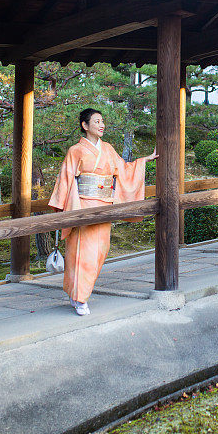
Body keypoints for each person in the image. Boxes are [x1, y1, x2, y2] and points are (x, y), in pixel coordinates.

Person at [48, 108, 157, 316]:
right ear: (85, 125)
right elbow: (66, 179)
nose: (101, 125)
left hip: (104, 206)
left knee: (100, 251)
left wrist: (144, 160)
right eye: (96, 121)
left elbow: (124, 170)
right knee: (82, 254)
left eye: (102, 121)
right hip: (83, 207)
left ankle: (77, 292)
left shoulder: (107, 148)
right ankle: (80, 298)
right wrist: (68, 210)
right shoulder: (76, 150)